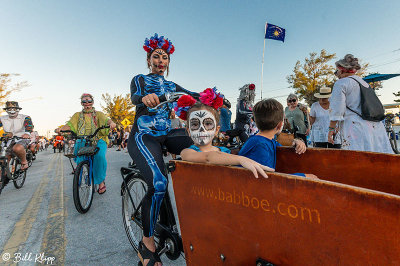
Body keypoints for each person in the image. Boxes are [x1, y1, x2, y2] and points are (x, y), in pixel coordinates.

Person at [127, 33, 199, 266]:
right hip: (144, 136)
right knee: (158, 183)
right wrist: (145, 98)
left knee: (201, 154)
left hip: (167, 134)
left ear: (169, 63)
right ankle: (147, 243)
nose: (161, 60)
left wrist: (214, 97)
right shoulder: (140, 79)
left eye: (165, 57)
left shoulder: (170, 85)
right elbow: (135, 97)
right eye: (156, 56)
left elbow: (193, 95)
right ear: (149, 60)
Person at [179, 89, 273, 178]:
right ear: (188, 131)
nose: (202, 129)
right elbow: (208, 158)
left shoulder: (225, 151)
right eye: (195, 124)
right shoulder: (187, 152)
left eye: (208, 123)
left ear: (216, 130)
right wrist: (241, 159)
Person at [239, 98, 318, 179]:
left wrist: (296, 141)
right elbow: (267, 179)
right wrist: (304, 176)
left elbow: (281, 146)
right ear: (280, 125)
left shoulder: (262, 140)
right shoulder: (261, 146)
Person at [328, 54, 392, 153]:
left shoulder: (341, 83)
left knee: (357, 159)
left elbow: (337, 110)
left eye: (336, 72)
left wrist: (331, 129)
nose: (337, 75)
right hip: (376, 127)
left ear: (341, 70)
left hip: (355, 128)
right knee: (376, 157)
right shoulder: (364, 83)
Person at [56, 93, 116, 194]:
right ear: (81, 103)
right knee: (80, 153)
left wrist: (111, 123)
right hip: (83, 139)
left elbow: (107, 120)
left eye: (89, 101)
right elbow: (69, 125)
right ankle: (82, 167)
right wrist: (61, 129)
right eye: (84, 101)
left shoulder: (99, 114)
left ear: (92, 102)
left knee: (100, 156)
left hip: (98, 138)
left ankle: (101, 182)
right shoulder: (77, 115)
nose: (87, 103)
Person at [0, 101, 33, 170]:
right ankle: (3, 177)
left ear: (18, 109)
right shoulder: (2, 119)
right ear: (6, 110)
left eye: (14, 109)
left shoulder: (25, 117)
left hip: (22, 138)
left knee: (17, 148)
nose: (12, 111)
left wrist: (27, 133)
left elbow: (29, 126)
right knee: (3, 159)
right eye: (9, 109)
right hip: (8, 139)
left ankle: (24, 162)